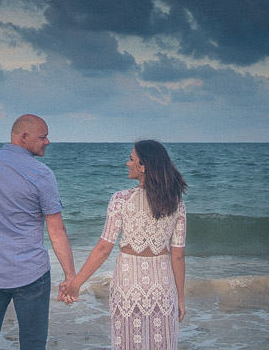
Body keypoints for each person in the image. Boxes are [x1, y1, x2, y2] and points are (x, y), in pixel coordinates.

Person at [0, 114, 76, 350]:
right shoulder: (41, 174)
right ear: (24, 137)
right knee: (32, 343)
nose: (48, 142)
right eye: (43, 137)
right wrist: (71, 276)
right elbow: (57, 230)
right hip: (30, 274)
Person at [60, 139, 187, 350]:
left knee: (127, 343)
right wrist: (180, 299)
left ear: (143, 166)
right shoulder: (176, 202)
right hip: (163, 286)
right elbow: (178, 256)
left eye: (131, 159)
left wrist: (75, 283)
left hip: (128, 283)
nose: (127, 163)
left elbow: (103, 249)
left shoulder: (120, 199)